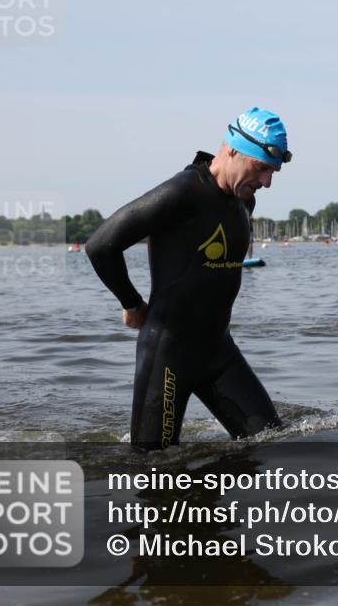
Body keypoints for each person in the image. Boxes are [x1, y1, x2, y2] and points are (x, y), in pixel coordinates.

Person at [86, 107, 291, 450]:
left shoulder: (245, 202)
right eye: (262, 168)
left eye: (273, 172)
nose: (267, 182)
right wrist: (132, 303)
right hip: (168, 357)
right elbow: (101, 245)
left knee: (273, 444)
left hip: (220, 353)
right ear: (233, 149)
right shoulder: (184, 192)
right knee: (154, 470)